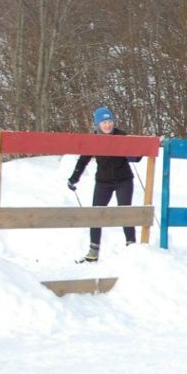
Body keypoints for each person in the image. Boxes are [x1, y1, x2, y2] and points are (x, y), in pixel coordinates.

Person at [68, 106, 142, 263]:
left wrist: (137, 150)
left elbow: (135, 157)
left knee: (125, 212)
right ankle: (93, 251)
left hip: (124, 180)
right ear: (97, 124)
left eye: (110, 121)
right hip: (103, 182)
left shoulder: (121, 136)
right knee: (96, 214)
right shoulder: (93, 140)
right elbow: (83, 160)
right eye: (104, 122)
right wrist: (74, 177)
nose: (108, 125)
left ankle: (132, 247)